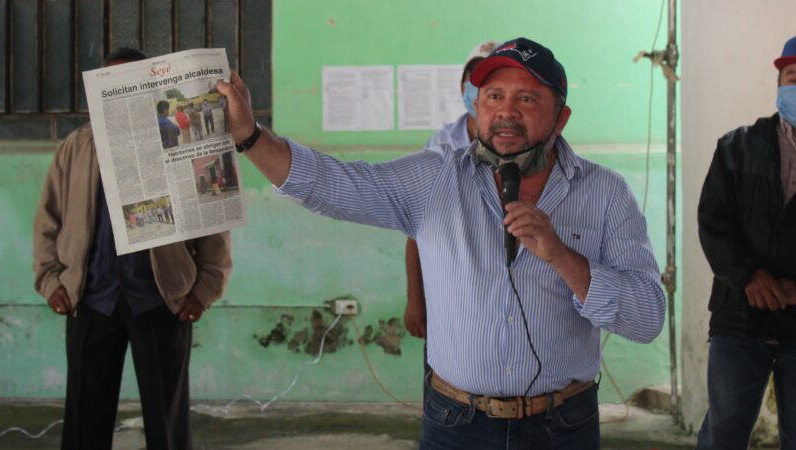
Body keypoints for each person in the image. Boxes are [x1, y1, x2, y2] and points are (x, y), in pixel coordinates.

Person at [219, 37, 665, 449]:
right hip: (458, 424)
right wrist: (250, 137)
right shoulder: (435, 177)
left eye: (527, 99)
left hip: (564, 425)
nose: (506, 111)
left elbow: (646, 319)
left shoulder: (606, 194)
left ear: (561, 117)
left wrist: (562, 256)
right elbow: (332, 183)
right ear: (476, 107)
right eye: (493, 97)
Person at [32, 47, 233, 450]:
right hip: (91, 297)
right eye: (109, 84)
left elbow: (214, 215)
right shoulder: (77, 146)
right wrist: (51, 280)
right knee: (85, 418)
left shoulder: (181, 138)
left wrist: (205, 288)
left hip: (162, 299)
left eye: (128, 83)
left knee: (167, 420)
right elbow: (48, 220)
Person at [696, 36, 796, 450]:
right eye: (793, 77)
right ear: (779, 86)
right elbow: (713, 222)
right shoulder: (736, 146)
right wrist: (749, 276)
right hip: (740, 319)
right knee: (724, 434)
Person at [404, 40, 500, 342]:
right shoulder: (440, 148)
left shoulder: (522, 144)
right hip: (446, 294)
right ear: (462, 86)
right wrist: (416, 300)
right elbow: (415, 230)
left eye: (492, 83)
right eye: (474, 80)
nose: (480, 90)